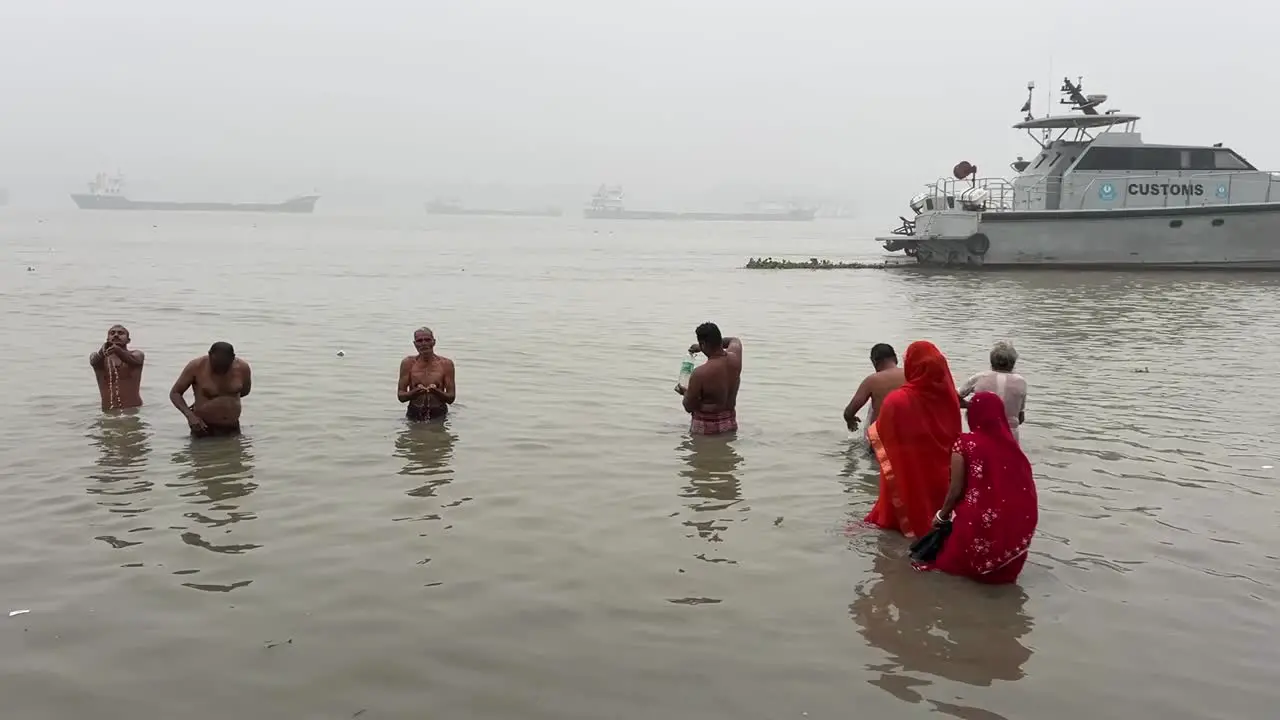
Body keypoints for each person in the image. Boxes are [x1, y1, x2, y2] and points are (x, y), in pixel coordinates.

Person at [916, 391, 1038, 584]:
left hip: (976, 524)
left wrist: (941, 516)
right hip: (1011, 525)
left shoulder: (964, 444)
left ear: (973, 414)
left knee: (933, 568)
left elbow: (955, 490)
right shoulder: (1013, 449)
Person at [865, 340, 962, 539]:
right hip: (940, 468)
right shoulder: (949, 397)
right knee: (935, 506)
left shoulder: (898, 400)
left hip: (908, 470)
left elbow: (879, 434)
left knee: (903, 504)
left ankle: (903, 529)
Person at [169, 342, 252, 437]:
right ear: (209, 355)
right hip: (203, 427)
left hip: (233, 427)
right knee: (204, 451)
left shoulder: (243, 368)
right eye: (216, 365)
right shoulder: (196, 366)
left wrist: (221, 401)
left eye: (224, 365)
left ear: (233, 357)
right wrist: (190, 416)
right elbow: (175, 393)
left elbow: (245, 392)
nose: (220, 369)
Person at [675, 322, 743, 435]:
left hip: (706, 429)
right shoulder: (735, 357)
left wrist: (685, 392)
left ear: (703, 344)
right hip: (730, 423)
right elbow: (734, 340)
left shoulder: (700, 373)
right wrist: (702, 347)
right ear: (719, 341)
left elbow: (688, 406)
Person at [958, 340, 1027, 444]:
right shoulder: (1021, 382)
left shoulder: (979, 378)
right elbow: (1020, 417)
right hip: (1010, 436)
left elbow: (955, 396)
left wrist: (971, 405)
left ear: (992, 360)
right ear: (1013, 362)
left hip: (983, 433)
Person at [843, 343, 906, 438]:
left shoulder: (872, 380)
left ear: (874, 361)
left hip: (881, 436)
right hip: (908, 433)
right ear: (895, 358)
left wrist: (850, 420)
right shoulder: (911, 375)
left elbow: (850, 411)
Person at [397, 326, 456, 421]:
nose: (424, 344)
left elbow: (451, 398)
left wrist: (436, 391)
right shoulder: (408, 363)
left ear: (434, 342)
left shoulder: (446, 364)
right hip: (414, 412)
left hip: (438, 412)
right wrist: (415, 392)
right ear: (415, 344)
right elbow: (401, 396)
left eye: (427, 340)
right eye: (419, 341)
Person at [89, 324, 145, 411]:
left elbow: (134, 359)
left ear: (128, 340)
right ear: (107, 339)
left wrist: (118, 350)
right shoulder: (99, 358)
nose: (116, 335)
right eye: (112, 333)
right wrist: (102, 351)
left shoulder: (137, 354)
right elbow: (94, 361)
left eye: (120, 333)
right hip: (108, 412)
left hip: (132, 410)